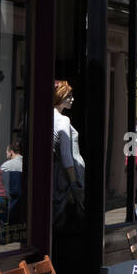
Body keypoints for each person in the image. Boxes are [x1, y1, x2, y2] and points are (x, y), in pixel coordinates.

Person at [53, 80, 85, 228]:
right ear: (58, 97)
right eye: (68, 96)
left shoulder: (49, 118)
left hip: (56, 175)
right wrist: (73, 184)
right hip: (66, 178)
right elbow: (66, 155)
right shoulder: (63, 120)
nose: (72, 99)